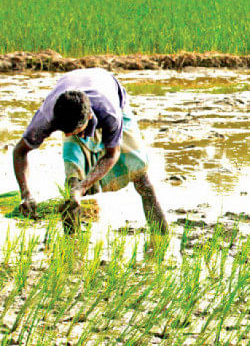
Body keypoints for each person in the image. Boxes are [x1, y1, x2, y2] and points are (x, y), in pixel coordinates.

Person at [12, 68, 168, 235]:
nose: (68, 136)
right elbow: (19, 152)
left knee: (140, 174)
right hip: (73, 101)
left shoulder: (110, 113)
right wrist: (26, 195)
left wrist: (83, 187)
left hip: (109, 92)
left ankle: (161, 235)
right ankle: (73, 244)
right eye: (65, 133)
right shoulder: (47, 117)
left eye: (75, 132)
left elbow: (112, 155)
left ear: (88, 119)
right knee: (71, 184)